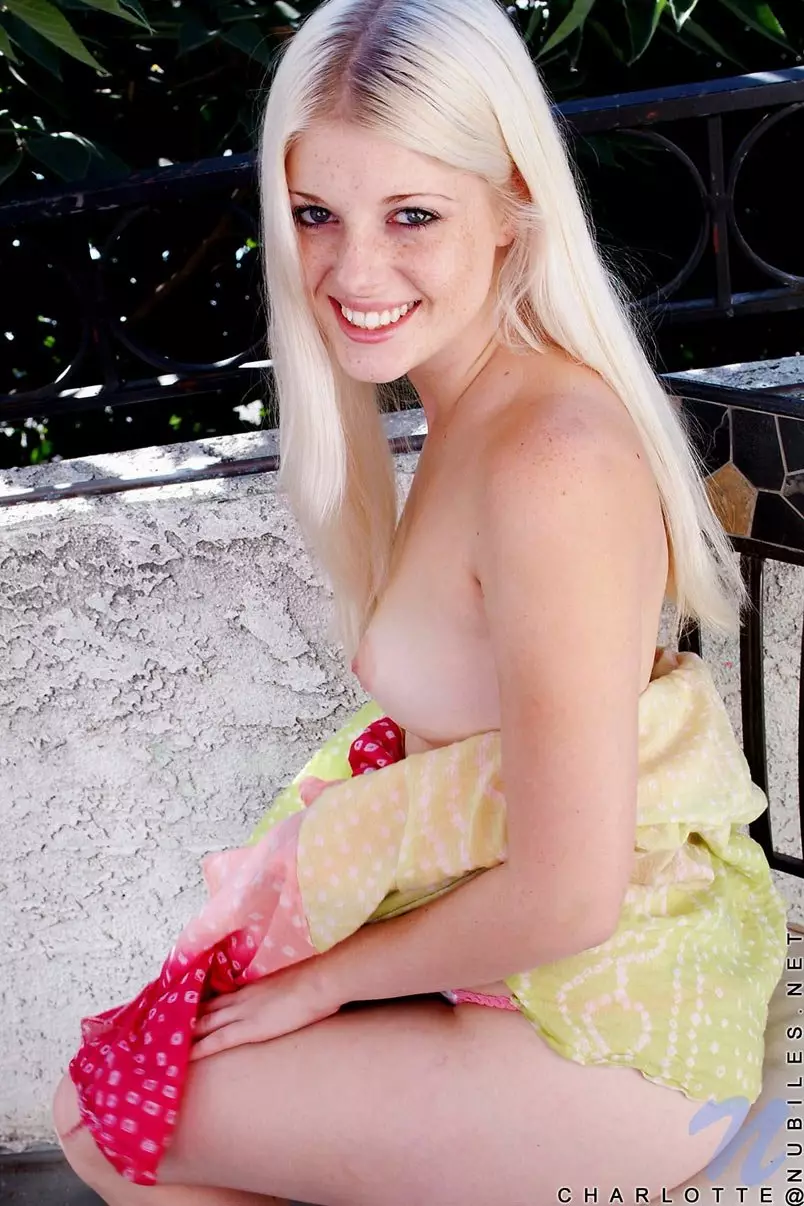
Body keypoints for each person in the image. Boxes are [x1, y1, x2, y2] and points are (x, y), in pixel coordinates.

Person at [52, 0, 788, 1202]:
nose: (355, 272)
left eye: (413, 215)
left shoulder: (550, 458)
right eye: (316, 215)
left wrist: (321, 983)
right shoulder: (476, 406)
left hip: (614, 1034)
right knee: (114, 1107)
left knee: (108, 1120)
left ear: (512, 207)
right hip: (528, 984)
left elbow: (570, 889)